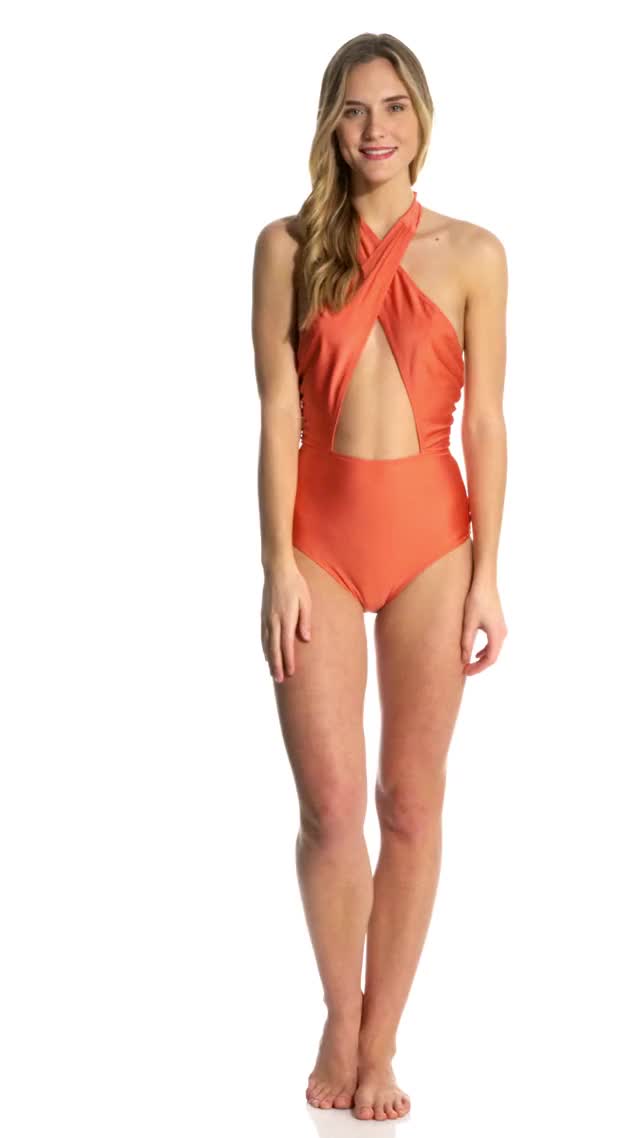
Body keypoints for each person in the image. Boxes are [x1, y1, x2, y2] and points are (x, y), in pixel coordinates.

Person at [252, 31, 508, 1123]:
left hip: (432, 547)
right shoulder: (285, 246)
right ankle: (339, 1015)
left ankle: (383, 1037)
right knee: (327, 805)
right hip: (318, 539)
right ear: (330, 122)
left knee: (409, 800)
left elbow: (487, 421)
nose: (374, 129)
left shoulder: (473, 253)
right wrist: (275, 563)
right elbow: (276, 413)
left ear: (421, 117)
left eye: (393, 106)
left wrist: (488, 572)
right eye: (354, 109)